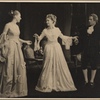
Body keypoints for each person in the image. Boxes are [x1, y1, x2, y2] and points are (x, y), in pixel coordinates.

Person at [34, 14, 77, 92]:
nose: (47, 22)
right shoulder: (45, 30)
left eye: (48, 20)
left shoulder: (57, 29)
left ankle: (57, 83)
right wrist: (37, 37)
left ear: (53, 21)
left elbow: (63, 37)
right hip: (49, 48)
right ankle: (48, 84)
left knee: (58, 64)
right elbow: (40, 38)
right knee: (48, 65)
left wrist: (72, 38)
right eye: (46, 20)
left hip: (56, 48)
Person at [0, 10, 32, 97]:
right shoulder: (8, 25)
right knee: (9, 67)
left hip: (17, 48)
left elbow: (17, 38)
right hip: (10, 48)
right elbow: (3, 36)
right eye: (19, 16)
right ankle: (7, 90)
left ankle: (16, 89)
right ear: (15, 16)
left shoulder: (17, 27)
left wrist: (25, 41)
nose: (20, 18)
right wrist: (4, 47)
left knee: (18, 66)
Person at [78, 13, 100, 87]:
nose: (89, 21)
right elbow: (82, 39)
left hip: (95, 50)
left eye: (91, 19)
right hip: (86, 49)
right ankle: (86, 80)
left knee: (94, 65)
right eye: (89, 19)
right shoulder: (86, 28)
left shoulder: (98, 28)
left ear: (95, 20)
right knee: (84, 64)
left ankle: (92, 80)